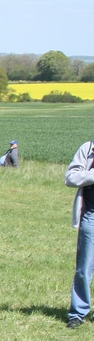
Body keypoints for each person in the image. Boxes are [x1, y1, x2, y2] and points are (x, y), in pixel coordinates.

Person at [66, 139, 94, 327]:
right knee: (84, 268)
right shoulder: (88, 149)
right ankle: (78, 313)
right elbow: (70, 178)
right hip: (91, 215)